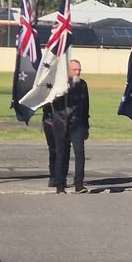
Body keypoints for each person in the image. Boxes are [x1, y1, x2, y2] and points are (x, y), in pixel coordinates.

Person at [50, 59, 90, 194]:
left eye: (79, 69)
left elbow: (86, 107)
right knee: (62, 153)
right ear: (68, 70)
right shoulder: (59, 84)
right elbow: (51, 103)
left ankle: (79, 184)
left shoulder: (83, 84)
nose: (77, 72)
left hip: (77, 124)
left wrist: (86, 127)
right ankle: (60, 185)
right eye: (74, 70)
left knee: (80, 154)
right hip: (61, 123)